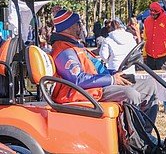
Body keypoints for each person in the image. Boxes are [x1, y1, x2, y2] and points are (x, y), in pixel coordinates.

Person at [50, 9, 158, 137]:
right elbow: (78, 79)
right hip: (85, 93)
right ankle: (133, 141)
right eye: (78, 24)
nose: (80, 27)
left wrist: (113, 73)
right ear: (69, 27)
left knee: (149, 85)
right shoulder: (64, 50)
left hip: (96, 87)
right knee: (130, 94)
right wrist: (112, 79)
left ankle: (146, 136)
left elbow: (92, 69)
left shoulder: (74, 46)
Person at [143, 2, 166, 70]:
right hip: (149, 57)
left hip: (163, 58)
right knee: (150, 79)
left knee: (165, 79)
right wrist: (144, 54)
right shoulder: (147, 21)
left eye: (155, 14)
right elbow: (146, 39)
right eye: (151, 13)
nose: (153, 16)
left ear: (159, 12)